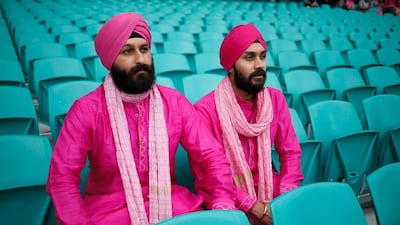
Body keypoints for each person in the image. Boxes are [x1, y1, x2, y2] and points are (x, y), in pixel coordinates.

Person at [46, 12, 236, 225]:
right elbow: (62, 178)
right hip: (108, 214)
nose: (140, 59)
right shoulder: (86, 110)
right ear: (111, 60)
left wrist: (222, 203)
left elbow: (211, 156)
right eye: (128, 51)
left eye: (144, 50)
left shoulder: (174, 102)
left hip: (174, 208)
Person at [194, 24, 304, 225]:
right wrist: (256, 208)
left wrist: (284, 198)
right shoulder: (206, 111)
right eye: (249, 57)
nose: (259, 65)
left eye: (262, 56)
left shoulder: (275, 100)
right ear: (231, 66)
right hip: (227, 193)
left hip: (269, 187)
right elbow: (211, 175)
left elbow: (290, 153)